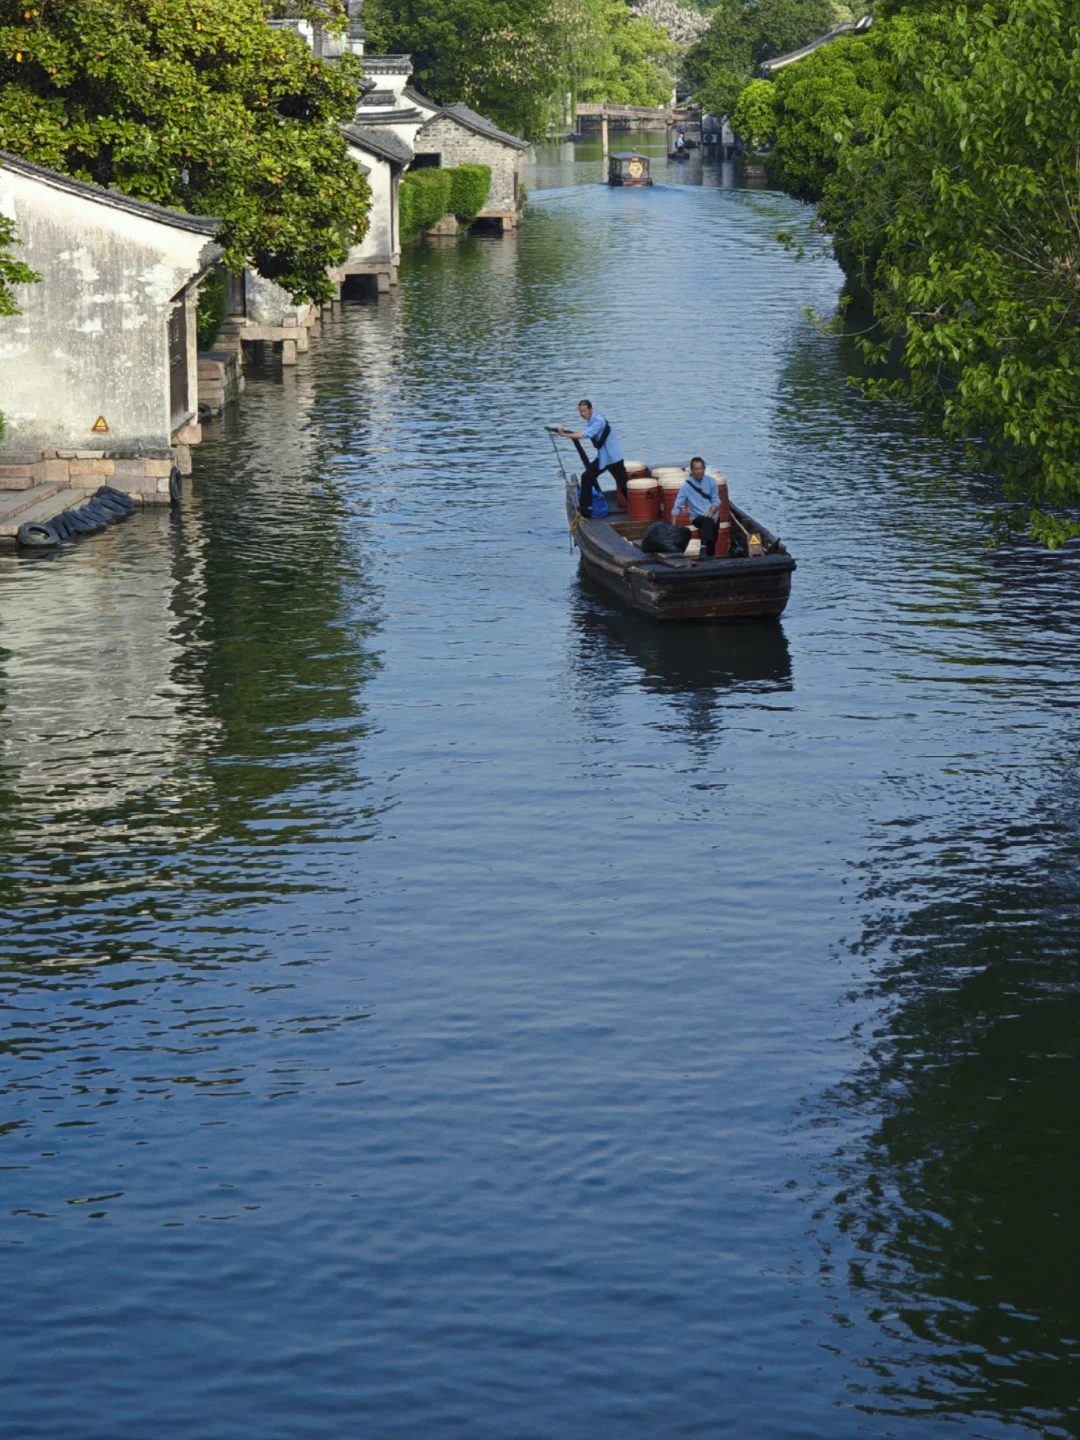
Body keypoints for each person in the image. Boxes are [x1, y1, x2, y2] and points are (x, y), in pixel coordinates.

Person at [557, 400, 629, 518]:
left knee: (624, 485)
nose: (583, 414)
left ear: (591, 410)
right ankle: (586, 509)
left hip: (613, 458)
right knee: (586, 477)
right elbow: (582, 433)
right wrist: (565, 432)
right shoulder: (591, 422)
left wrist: (564, 434)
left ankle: (636, 508)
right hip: (603, 458)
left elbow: (583, 435)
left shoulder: (598, 421)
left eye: (585, 411)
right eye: (581, 412)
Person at [672, 457, 721, 556]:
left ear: (704, 468)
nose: (699, 471)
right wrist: (673, 526)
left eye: (701, 468)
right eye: (696, 469)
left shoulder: (711, 481)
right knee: (706, 522)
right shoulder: (686, 486)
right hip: (697, 517)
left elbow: (716, 501)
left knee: (711, 541)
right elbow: (677, 506)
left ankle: (709, 559)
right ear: (692, 470)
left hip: (713, 516)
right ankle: (703, 549)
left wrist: (711, 512)